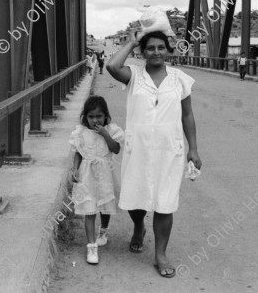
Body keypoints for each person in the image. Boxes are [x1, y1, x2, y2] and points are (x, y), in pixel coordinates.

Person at [106, 27, 202, 278]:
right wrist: (130, 42)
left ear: (168, 50)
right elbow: (112, 66)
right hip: (137, 147)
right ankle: (138, 227)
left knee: (165, 201)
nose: (156, 52)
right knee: (136, 196)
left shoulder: (180, 78)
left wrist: (194, 148)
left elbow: (188, 114)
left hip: (169, 149)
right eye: (150, 48)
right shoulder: (134, 75)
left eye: (160, 47)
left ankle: (160, 254)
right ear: (143, 51)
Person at [70, 96, 124, 265]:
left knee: (105, 205)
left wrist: (105, 134)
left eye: (99, 116)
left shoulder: (112, 130)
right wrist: (75, 169)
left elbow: (115, 149)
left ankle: (103, 231)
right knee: (90, 207)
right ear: (85, 117)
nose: (95, 120)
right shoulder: (81, 132)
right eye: (91, 117)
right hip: (87, 175)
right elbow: (79, 152)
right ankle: (91, 246)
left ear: (105, 116)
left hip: (106, 174)